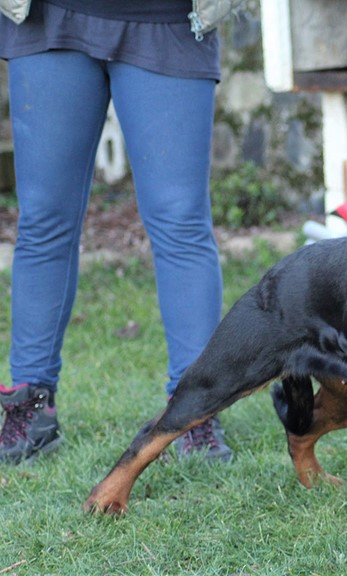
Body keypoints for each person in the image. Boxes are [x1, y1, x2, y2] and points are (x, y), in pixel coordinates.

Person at [0, 0, 233, 464]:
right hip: (53, 15)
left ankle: (193, 413)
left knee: (180, 221)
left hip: (170, 21)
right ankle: (28, 408)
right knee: (44, 219)